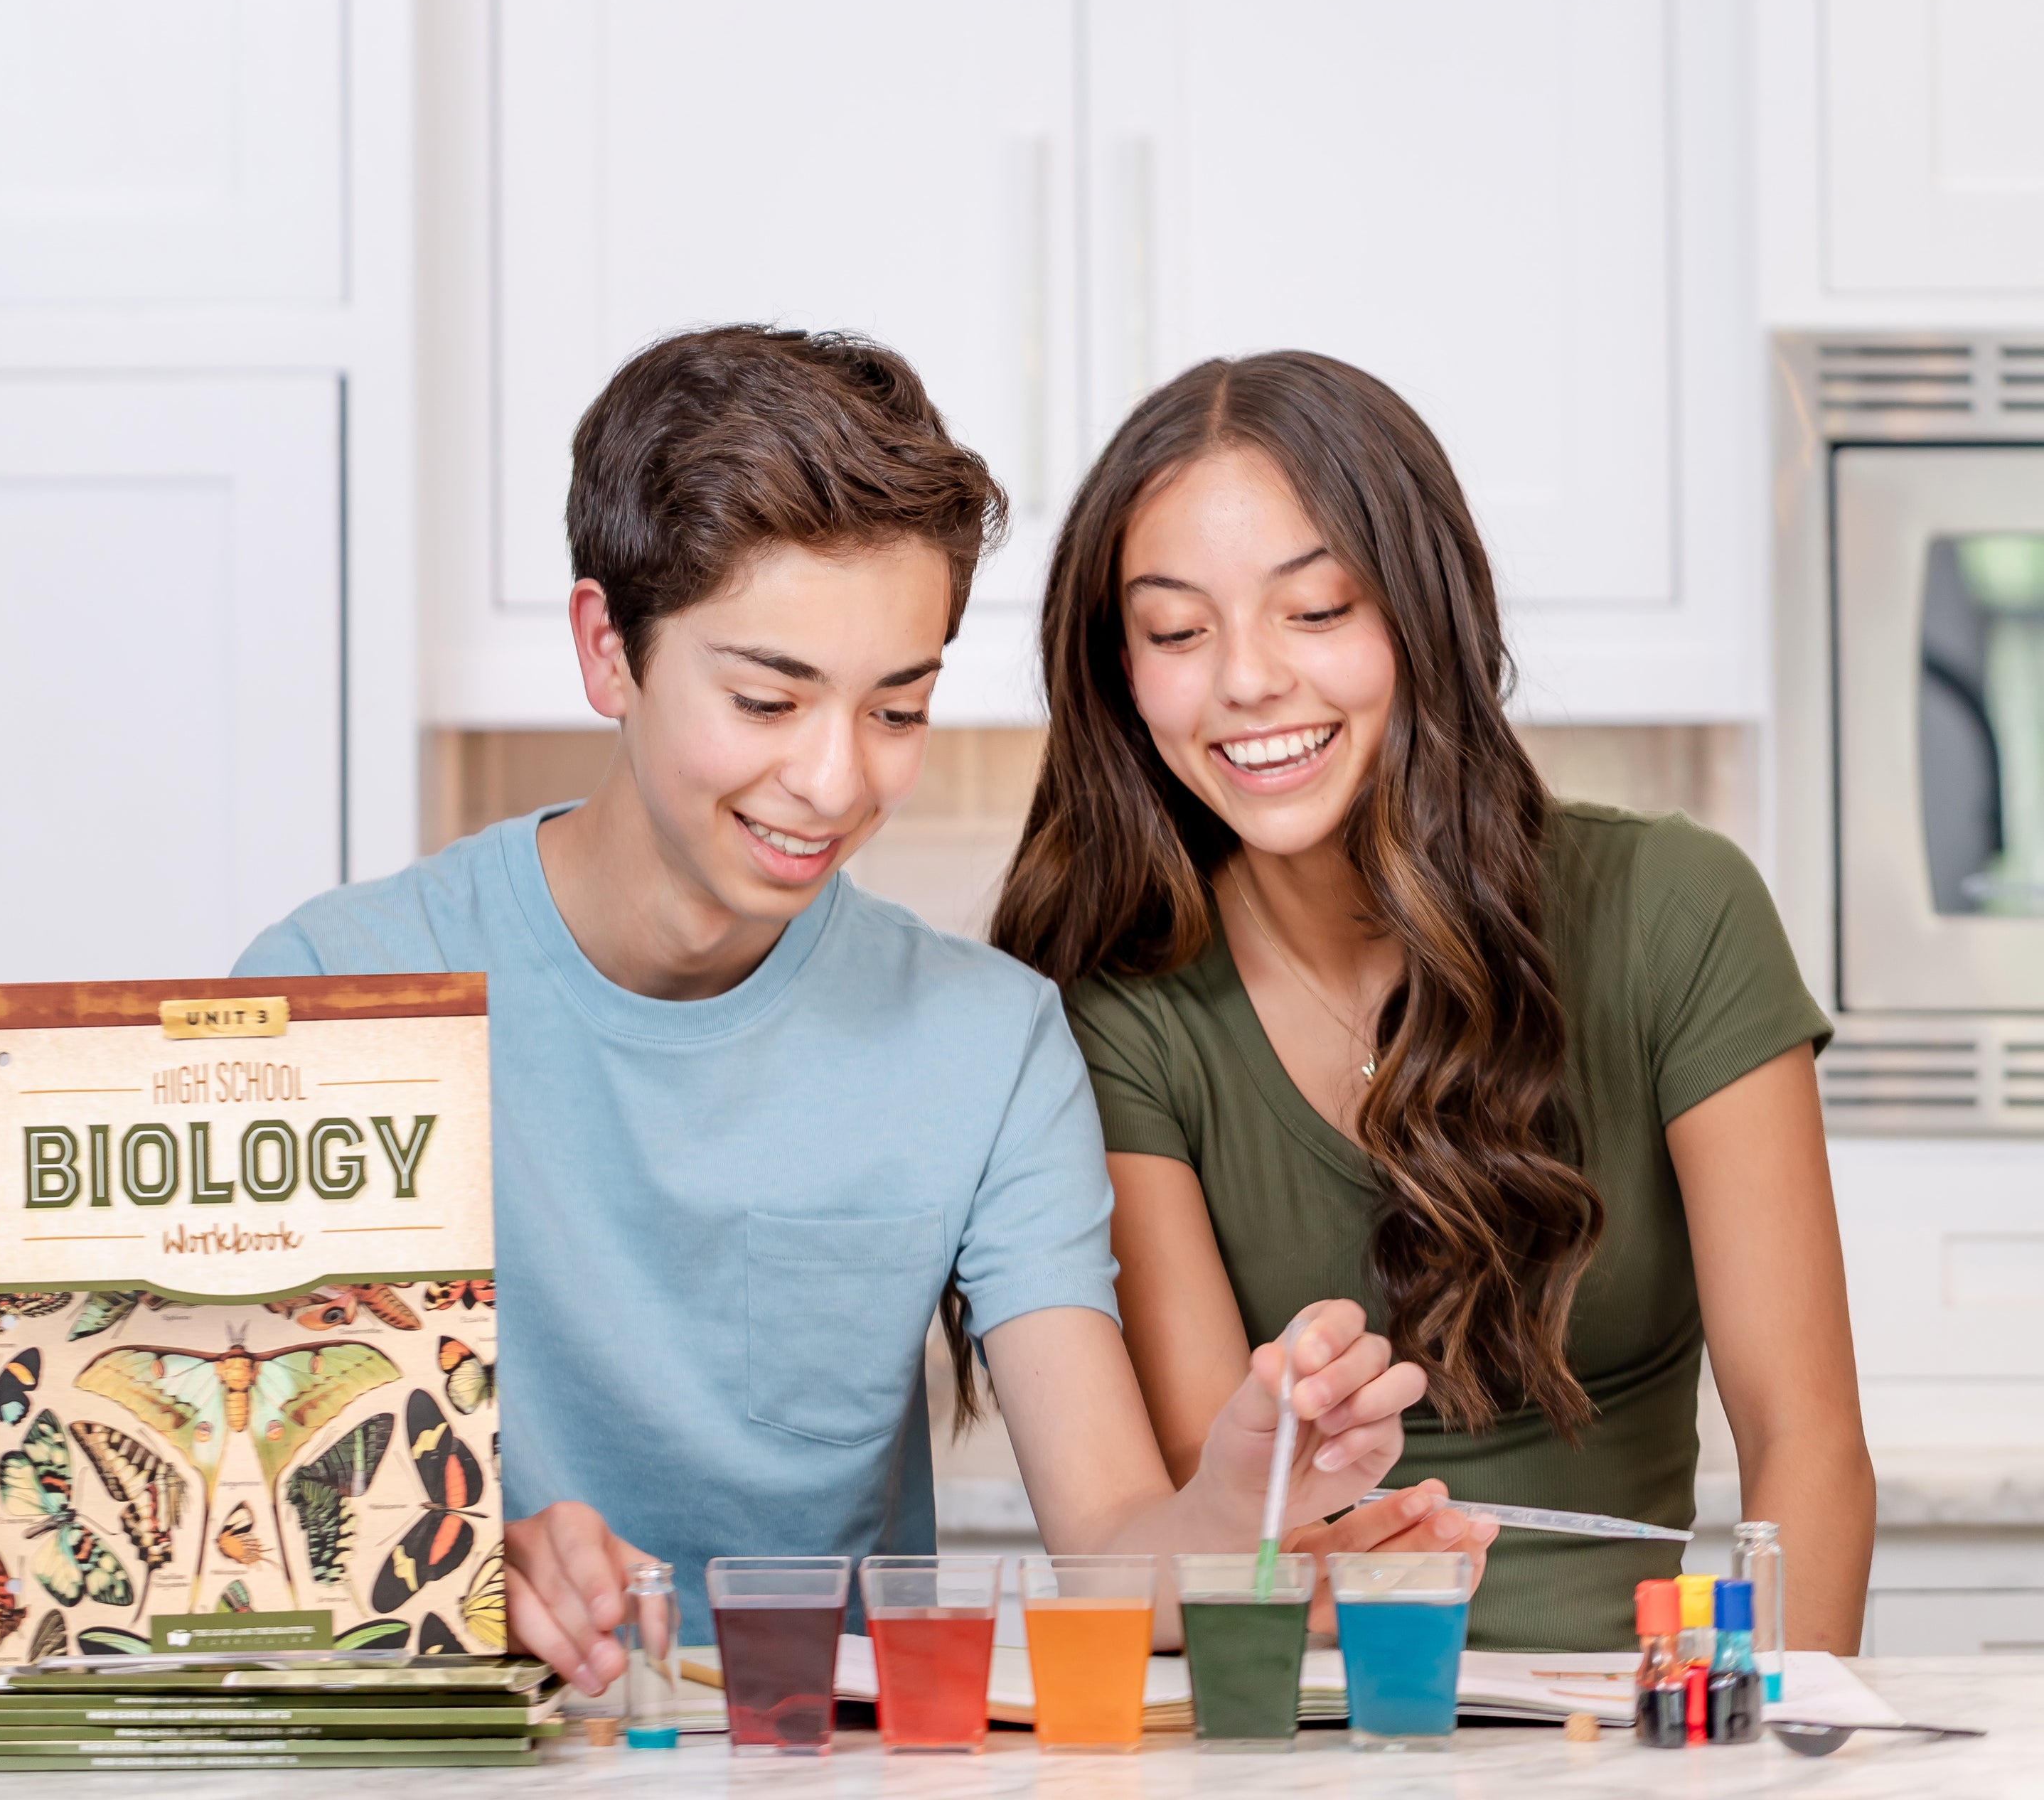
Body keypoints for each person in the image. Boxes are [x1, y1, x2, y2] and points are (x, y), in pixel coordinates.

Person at [232, 326, 1455, 1689]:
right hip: (455, 1761)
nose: (833, 781)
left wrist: (1236, 1498)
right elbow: (222, 1533)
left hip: (816, 1759)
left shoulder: (988, 1046)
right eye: (768, 699)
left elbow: (1118, 1559)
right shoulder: (326, 1002)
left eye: (897, 710)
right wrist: (447, 1570)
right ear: (607, 650)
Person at [990, 350, 1876, 1653]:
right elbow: (1217, 1525)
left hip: (1625, 1717)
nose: (1247, 680)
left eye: (1316, 609)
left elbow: (1808, 1442)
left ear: (1424, 612)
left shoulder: (1676, 914)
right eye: (1178, 632)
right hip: (1307, 1723)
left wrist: (1765, 1715)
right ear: (1124, 671)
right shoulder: (1125, 1010)